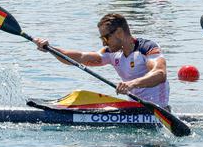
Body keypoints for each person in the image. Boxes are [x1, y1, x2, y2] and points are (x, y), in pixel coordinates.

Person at [34, 13, 170, 107]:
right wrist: (50, 49)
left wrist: (131, 84)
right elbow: (80, 57)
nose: (104, 44)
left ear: (119, 33)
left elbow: (160, 74)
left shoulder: (147, 48)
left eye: (105, 38)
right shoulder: (111, 53)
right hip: (134, 108)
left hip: (159, 110)